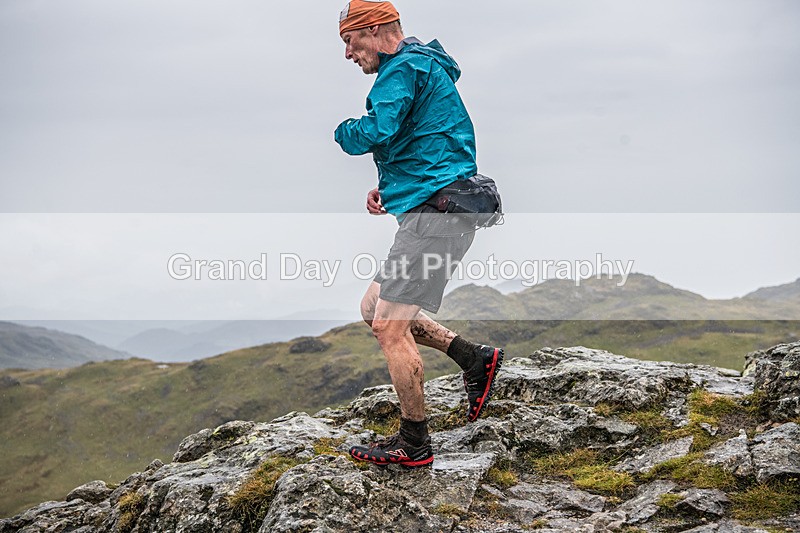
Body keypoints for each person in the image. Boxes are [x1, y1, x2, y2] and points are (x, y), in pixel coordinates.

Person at [334, 0, 503, 468]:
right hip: (436, 207)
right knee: (373, 310)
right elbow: (431, 139)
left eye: (350, 40)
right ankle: (474, 359)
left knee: (390, 328)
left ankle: (414, 444)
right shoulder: (424, 66)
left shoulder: (400, 69)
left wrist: (344, 132)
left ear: (372, 29)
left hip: (438, 216)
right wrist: (393, 187)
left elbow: (379, 128)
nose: (348, 53)